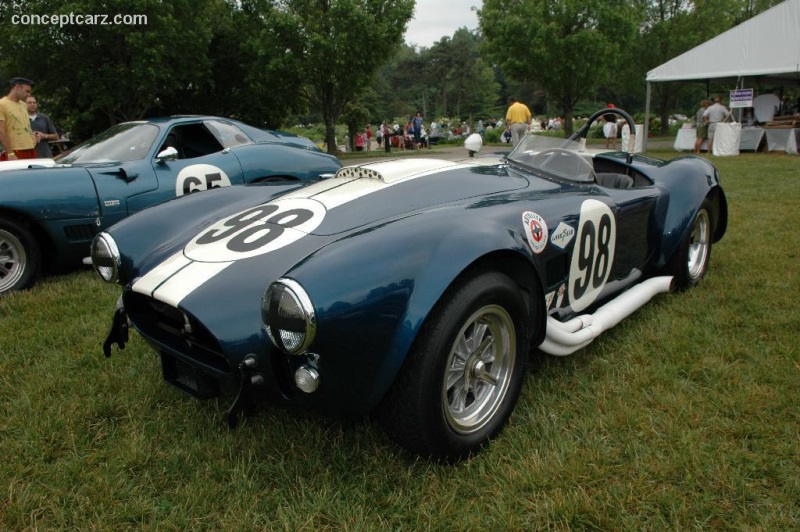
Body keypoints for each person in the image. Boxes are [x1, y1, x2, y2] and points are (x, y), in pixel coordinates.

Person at [0, 77, 37, 161]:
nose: (28, 94)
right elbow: (1, 131)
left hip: (30, 148)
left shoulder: (23, 105)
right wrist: (10, 153)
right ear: (17, 87)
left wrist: (32, 135)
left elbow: (25, 124)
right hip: (15, 150)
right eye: (27, 91)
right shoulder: (2, 104)